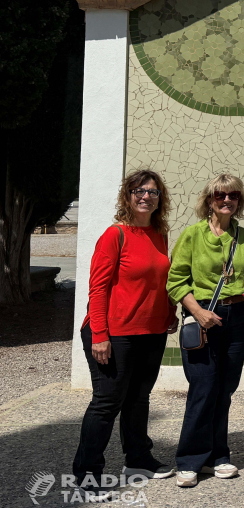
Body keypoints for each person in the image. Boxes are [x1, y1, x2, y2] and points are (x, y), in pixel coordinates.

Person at [72, 170, 178, 490]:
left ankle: (139, 459)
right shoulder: (114, 235)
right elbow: (98, 289)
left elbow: (160, 282)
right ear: (127, 196)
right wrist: (101, 335)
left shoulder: (159, 234)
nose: (146, 196)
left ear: (161, 199)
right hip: (114, 333)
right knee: (107, 403)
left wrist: (170, 312)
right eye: (139, 191)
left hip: (151, 331)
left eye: (153, 192)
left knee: (139, 398)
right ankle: (87, 472)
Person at [167, 174, 244, 488]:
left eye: (233, 195)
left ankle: (217, 456)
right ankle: (190, 460)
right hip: (203, 315)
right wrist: (198, 311)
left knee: (225, 390)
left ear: (239, 201)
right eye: (220, 195)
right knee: (203, 389)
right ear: (209, 200)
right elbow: (176, 280)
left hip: (236, 317)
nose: (226, 200)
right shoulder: (193, 235)